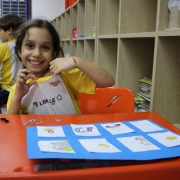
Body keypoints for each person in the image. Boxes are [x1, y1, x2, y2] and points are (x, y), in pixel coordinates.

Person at [7, 18, 115, 114]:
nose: (37, 54)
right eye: (30, 46)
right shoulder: (18, 89)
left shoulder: (64, 74)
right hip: (39, 136)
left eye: (45, 47)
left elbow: (109, 80)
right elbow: (12, 125)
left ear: (54, 53)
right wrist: (17, 97)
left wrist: (77, 61)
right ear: (19, 51)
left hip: (72, 134)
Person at [0, 13, 25, 107]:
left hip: (6, 89)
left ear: (9, 30)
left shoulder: (4, 47)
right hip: (20, 88)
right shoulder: (24, 46)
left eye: (0, 30)